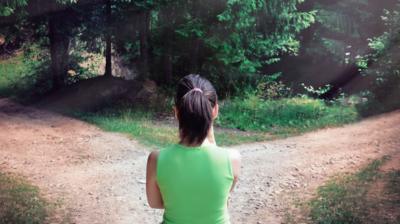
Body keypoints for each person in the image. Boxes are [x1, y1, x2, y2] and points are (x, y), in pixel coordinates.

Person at [146, 74, 241, 224]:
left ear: (176, 112)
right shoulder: (232, 159)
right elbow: (221, 199)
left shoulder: (156, 159)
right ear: (215, 110)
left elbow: (155, 203)